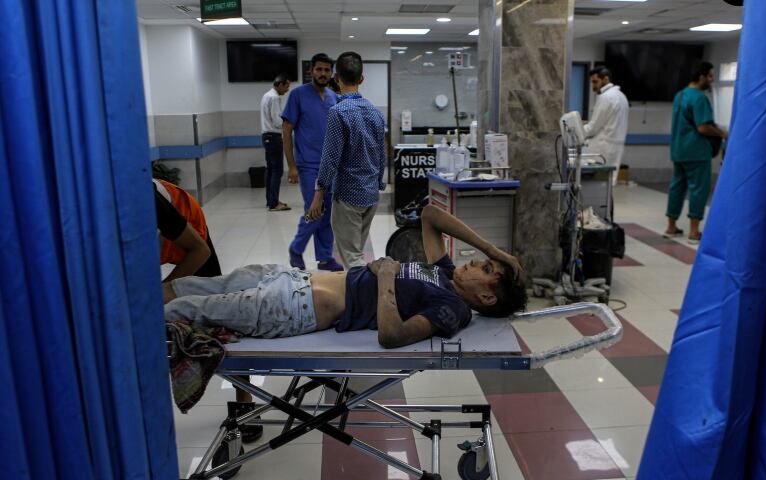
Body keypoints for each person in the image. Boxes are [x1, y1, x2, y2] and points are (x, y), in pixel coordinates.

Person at [163, 204, 527, 348]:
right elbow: (431, 214)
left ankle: (114, 328)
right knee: (193, 287)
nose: (475, 262)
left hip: (294, 307)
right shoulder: (444, 274)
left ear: (488, 298)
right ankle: (129, 302)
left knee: (188, 308)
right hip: (289, 278)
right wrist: (494, 249)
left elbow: (392, 336)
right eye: (483, 260)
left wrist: (386, 277)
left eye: (486, 269)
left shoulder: (452, 308)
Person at [307, 52, 386, 269]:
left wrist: (319, 194)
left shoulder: (338, 112)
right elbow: (381, 155)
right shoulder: (376, 113)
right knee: (357, 252)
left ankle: (362, 300)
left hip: (348, 197)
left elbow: (330, 158)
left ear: (336, 78)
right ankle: (359, 293)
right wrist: (378, 183)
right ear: (361, 79)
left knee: (352, 260)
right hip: (370, 194)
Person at [282, 53, 343, 272]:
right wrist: (291, 166)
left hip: (331, 166)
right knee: (314, 210)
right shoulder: (298, 95)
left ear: (331, 73)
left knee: (327, 214)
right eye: (319, 69)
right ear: (311, 71)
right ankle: (296, 248)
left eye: (327, 70)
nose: (323, 74)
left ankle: (325, 258)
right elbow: (287, 130)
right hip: (308, 165)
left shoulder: (332, 97)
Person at [665, 61, 728, 244]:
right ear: (701, 77)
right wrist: (723, 133)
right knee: (698, 190)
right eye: (709, 76)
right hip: (696, 152)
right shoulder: (700, 98)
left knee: (677, 187)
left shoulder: (680, 95)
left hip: (679, 150)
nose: (711, 79)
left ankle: (671, 226)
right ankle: (694, 232)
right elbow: (703, 127)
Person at [154, 179, 221, 281]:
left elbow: (201, 251)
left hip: (184, 212)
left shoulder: (150, 200)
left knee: (209, 285)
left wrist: (165, 289)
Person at [583, 67, 629, 186]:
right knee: (607, 187)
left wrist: (576, 130)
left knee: (597, 187)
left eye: (595, 82)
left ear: (605, 79)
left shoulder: (605, 97)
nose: (593, 86)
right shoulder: (622, 96)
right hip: (615, 148)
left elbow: (593, 127)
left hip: (602, 149)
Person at [260, 74, 292, 211]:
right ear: (280, 84)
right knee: (277, 171)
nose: (287, 90)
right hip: (273, 137)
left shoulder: (266, 95)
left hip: (267, 136)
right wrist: (290, 123)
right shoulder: (274, 97)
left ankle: (271, 201)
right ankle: (274, 204)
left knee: (271, 170)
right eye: (286, 86)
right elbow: (277, 120)